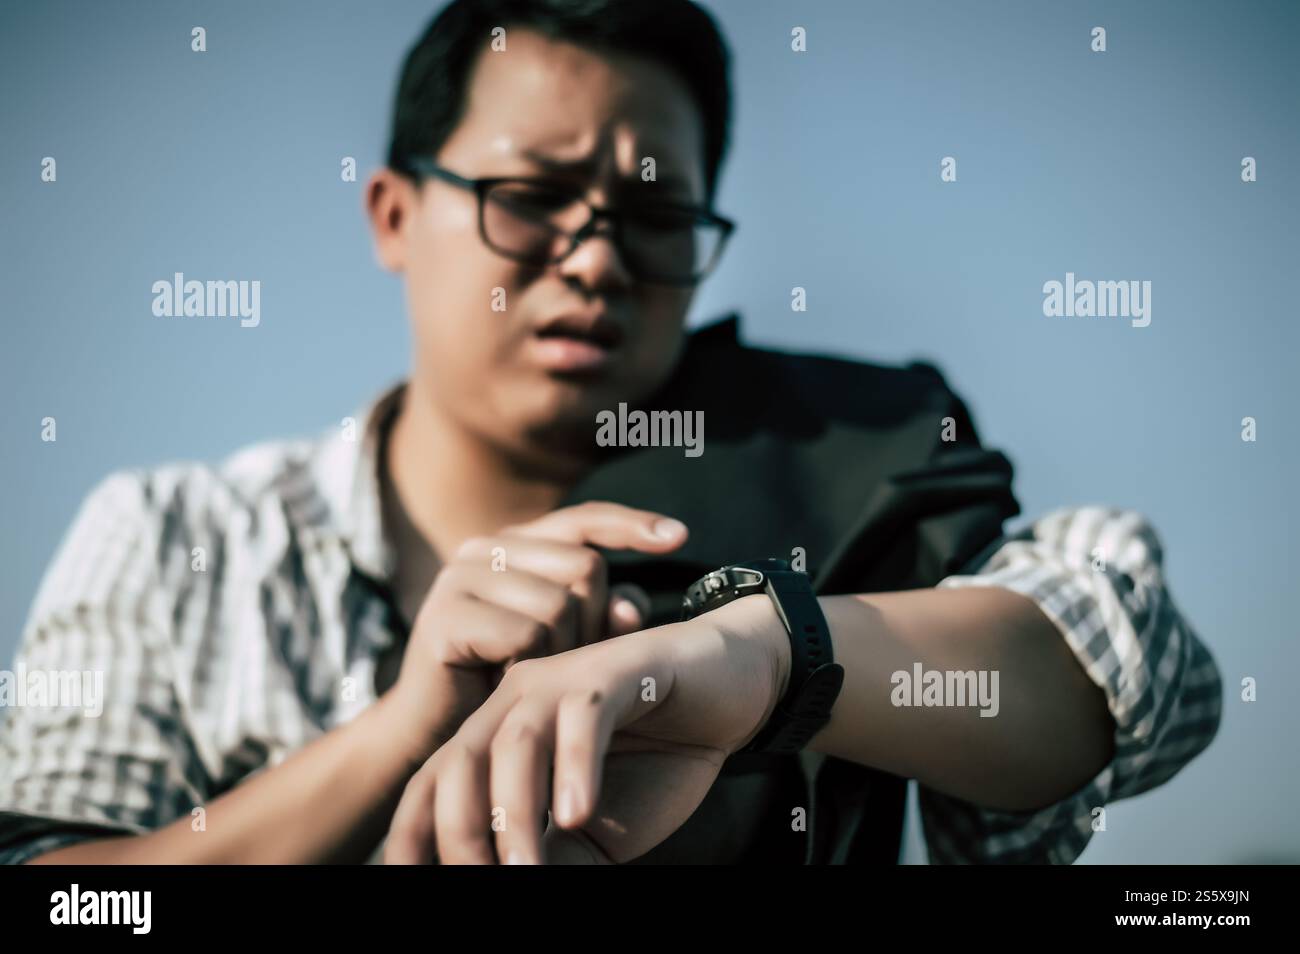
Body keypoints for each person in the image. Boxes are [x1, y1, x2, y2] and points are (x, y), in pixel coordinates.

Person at [0, 0, 1220, 865]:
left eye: (654, 216)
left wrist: (764, 658)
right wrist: (397, 737)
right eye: (528, 199)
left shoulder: (833, 467)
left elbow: (1131, 668)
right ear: (391, 211)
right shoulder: (173, 534)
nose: (593, 262)